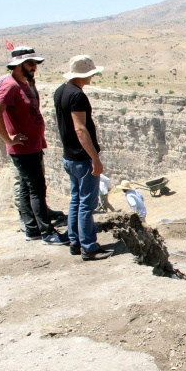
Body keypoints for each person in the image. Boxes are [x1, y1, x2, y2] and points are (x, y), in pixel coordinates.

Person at [0, 47, 69, 246]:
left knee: (27, 187)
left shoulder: (23, 84)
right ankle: (47, 232)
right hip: (23, 148)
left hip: (31, 145)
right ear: (18, 64)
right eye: (31, 63)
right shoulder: (10, 85)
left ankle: (32, 229)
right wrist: (8, 139)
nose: (35, 67)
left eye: (36, 64)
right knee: (37, 188)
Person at [54, 55, 112, 261]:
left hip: (69, 157)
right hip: (82, 158)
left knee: (76, 200)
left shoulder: (60, 91)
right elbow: (80, 129)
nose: (94, 76)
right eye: (92, 73)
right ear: (85, 74)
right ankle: (89, 247)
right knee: (87, 203)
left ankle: (75, 242)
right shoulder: (77, 96)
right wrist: (95, 159)